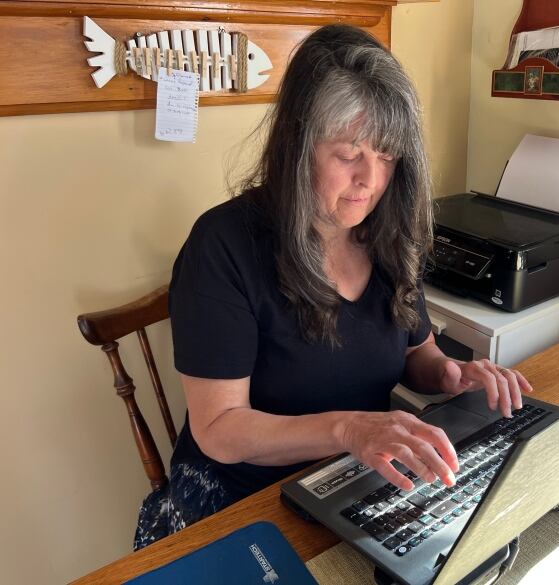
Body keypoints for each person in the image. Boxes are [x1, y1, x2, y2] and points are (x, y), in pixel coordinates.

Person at [134, 23, 532, 549]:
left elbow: (419, 352)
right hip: (243, 497)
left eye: (387, 155)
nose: (372, 179)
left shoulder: (385, 233)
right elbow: (221, 430)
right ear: (298, 145)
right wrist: (349, 430)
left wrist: (452, 374)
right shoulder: (224, 244)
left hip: (354, 480)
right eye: (349, 154)